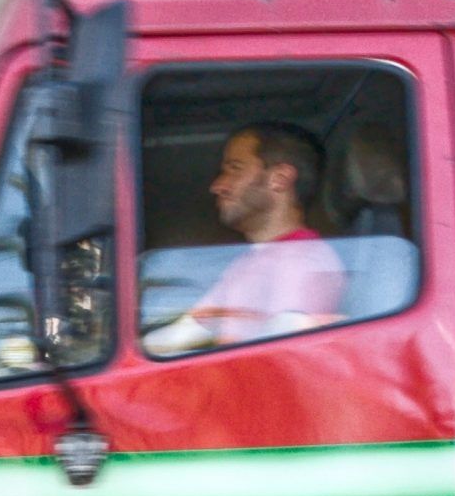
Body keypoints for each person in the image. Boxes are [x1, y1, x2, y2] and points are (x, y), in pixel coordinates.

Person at [145, 121, 346, 354]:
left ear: (279, 179)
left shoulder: (306, 260)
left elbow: (282, 350)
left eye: (234, 168)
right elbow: (185, 332)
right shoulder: (247, 263)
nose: (217, 186)